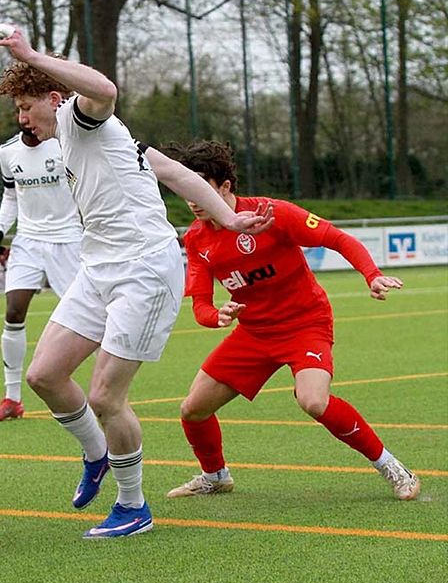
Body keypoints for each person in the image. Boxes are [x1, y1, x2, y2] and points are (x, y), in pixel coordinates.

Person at [0, 25, 272, 538]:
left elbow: (105, 91)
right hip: (98, 267)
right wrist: (226, 219)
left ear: (54, 98)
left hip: (143, 270)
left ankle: (133, 505)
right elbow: (179, 175)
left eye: (25, 107)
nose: (21, 119)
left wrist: (30, 54)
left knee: (105, 397)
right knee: (45, 375)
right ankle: (97, 455)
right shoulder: (99, 141)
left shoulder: (82, 118)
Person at [163, 140, 419, 501]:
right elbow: (201, 305)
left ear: (225, 186)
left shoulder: (272, 213)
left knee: (313, 400)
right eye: (185, 187)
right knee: (193, 410)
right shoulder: (196, 239)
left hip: (305, 324)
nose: (192, 198)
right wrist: (216, 315)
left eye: (202, 185)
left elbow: (337, 237)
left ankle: (392, 467)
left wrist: (371, 274)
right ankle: (215, 476)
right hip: (254, 333)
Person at [0, 129, 82, 422]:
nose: (24, 116)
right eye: (20, 109)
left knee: (87, 317)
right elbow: (10, 196)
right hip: (27, 241)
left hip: (68, 241)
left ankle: (109, 388)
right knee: (14, 311)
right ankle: (12, 399)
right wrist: (0, 227)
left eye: (28, 108)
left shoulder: (66, 145)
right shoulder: (8, 150)